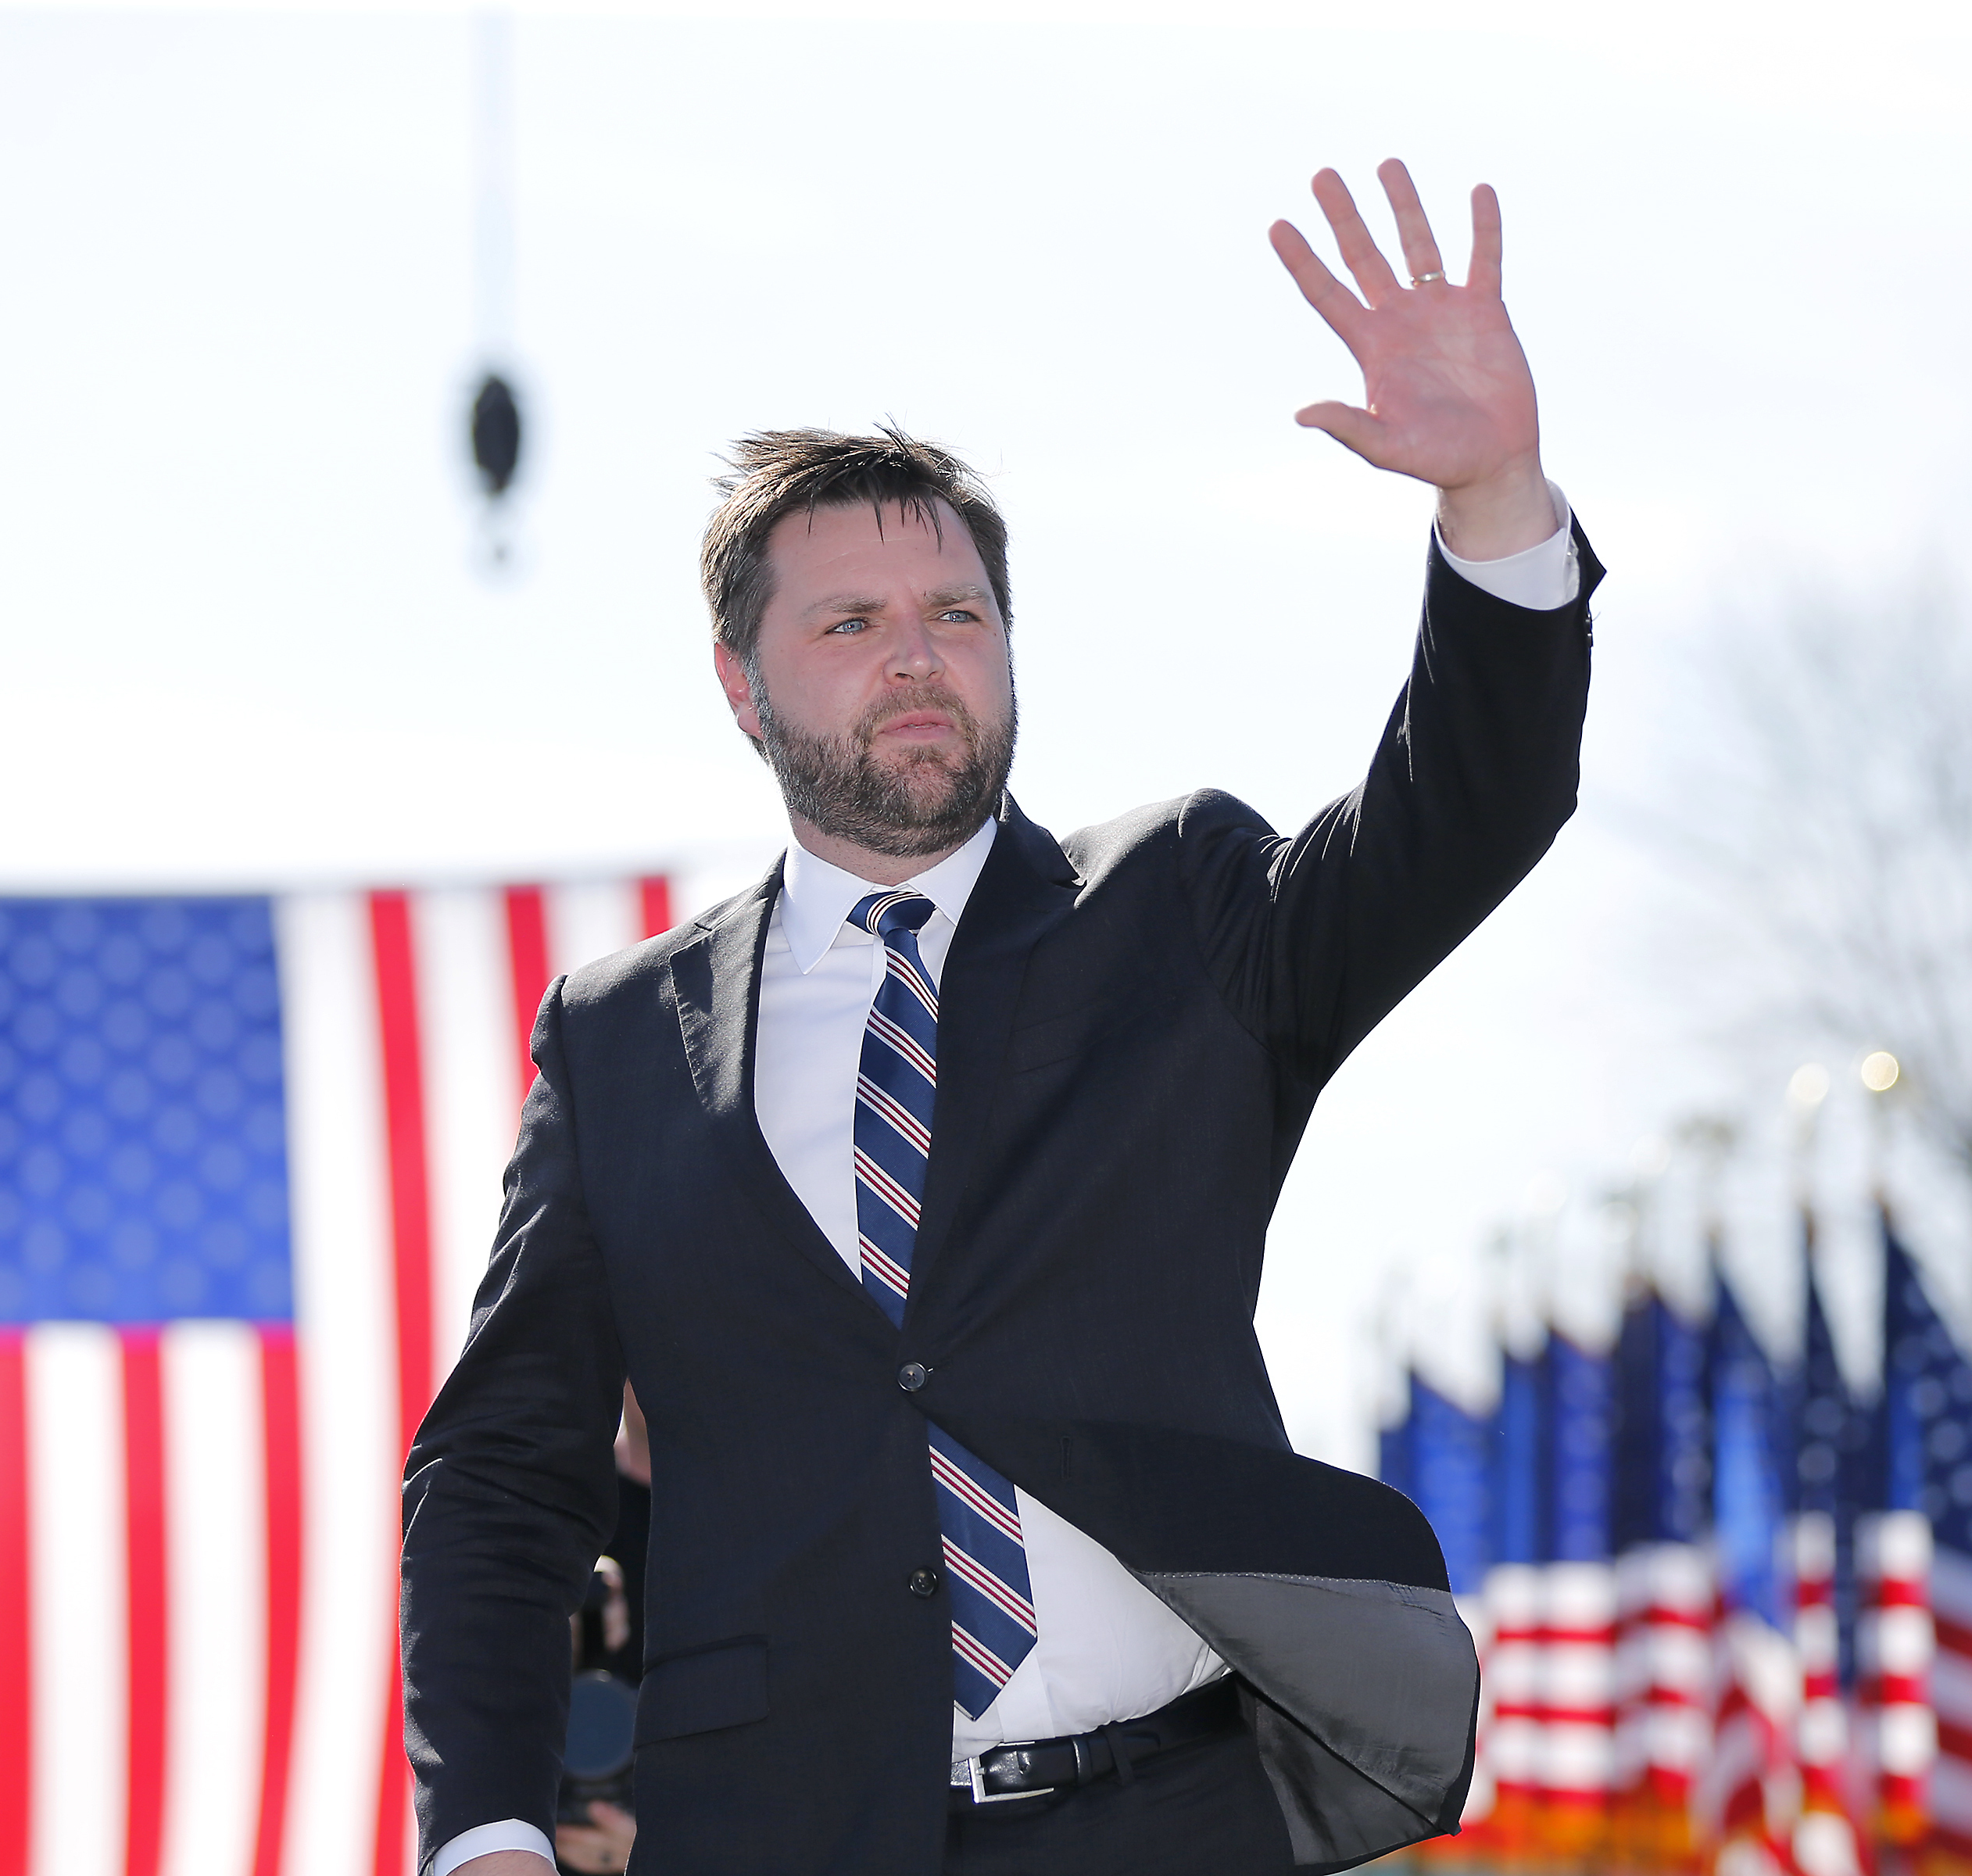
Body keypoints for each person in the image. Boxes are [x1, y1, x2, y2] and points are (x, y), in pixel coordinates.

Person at [401, 159, 1599, 1876]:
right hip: (776, 1836)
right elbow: (504, 1473)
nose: (917, 657)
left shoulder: (1177, 908)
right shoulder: (618, 1044)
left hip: (1174, 1821)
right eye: (852, 623)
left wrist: (1494, 499)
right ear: (743, 685)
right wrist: (492, 1830)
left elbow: (1455, 820)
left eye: (957, 614)